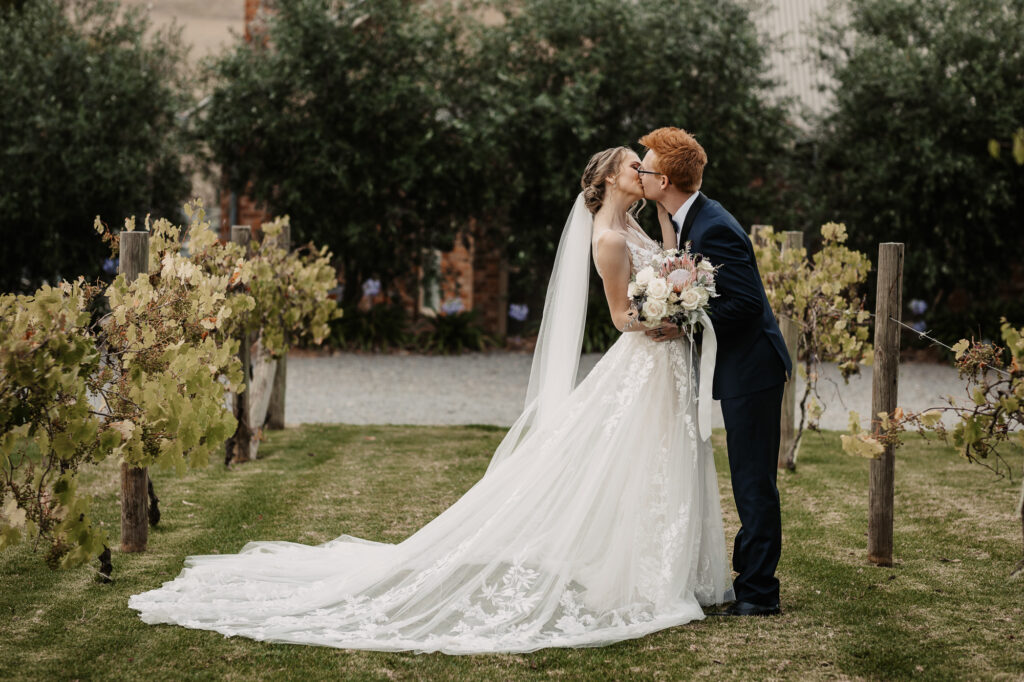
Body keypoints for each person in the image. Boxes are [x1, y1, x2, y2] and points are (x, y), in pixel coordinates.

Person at [128, 146, 734, 654]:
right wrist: (667, 315)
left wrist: (681, 296)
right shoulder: (606, 238)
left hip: (666, 365)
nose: (641, 169)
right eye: (632, 164)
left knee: (658, 460)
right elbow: (620, 316)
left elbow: (671, 262)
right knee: (633, 460)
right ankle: (646, 578)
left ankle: (664, 570)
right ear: (607, 178)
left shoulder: (639, 223)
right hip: (646, 355)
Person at [636, 127, 792, 617]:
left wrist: (683, 326)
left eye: (643, 168)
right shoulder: (687, 218)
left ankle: (760, 593)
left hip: (754, 368)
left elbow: (745, 303)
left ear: (663, 180)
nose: (638, 173)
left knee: (752, 481)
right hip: (741, 367)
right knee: (748, 478)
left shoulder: (713, 226)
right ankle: (751, 582)